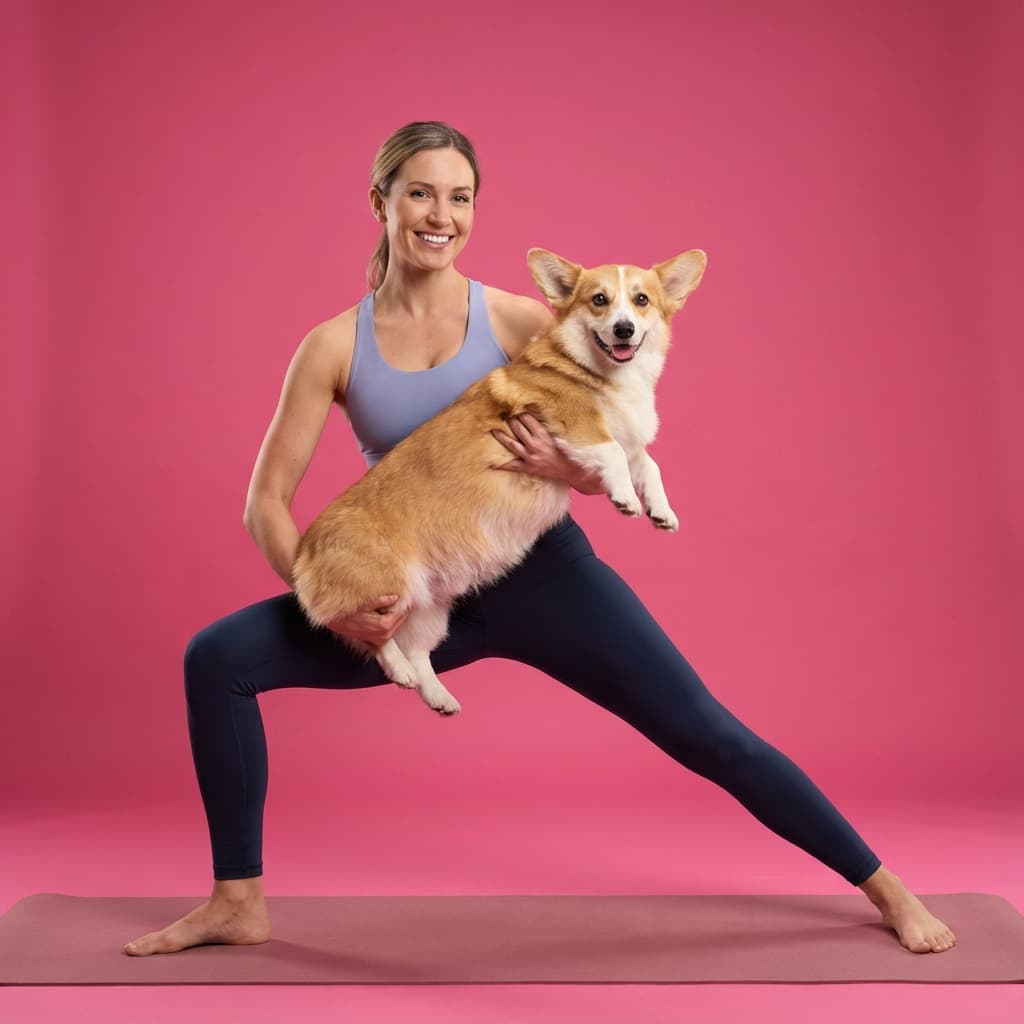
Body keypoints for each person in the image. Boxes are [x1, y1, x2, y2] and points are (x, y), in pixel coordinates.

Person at [124, 121, 955, 957]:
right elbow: (266, 500)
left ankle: (884, 886)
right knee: (215, 659)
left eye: (460, 196)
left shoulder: (531, 317)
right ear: (382, 202)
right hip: (416, 581)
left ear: (475, 210)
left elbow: (615, 446)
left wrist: (579, 466)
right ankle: (238, 901)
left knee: (707, 731)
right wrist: (336, 608)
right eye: (419, 192)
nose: (439, 214)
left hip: (545, 580)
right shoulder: (334, 345)